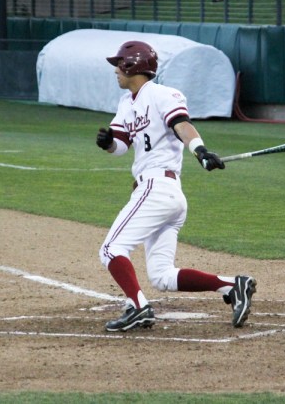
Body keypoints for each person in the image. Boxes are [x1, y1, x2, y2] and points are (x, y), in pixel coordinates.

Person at [95, 40, 257, 332]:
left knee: (110, 249)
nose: (116, 70)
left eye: (119, 64)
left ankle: (139, 308)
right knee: (162, 276)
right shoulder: (125, 104)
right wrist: (109, 144)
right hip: (164, 195)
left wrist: (200, 150)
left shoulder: (163, 94)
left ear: (132, 65)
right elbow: (120, 146)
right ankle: (233, 286)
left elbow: (182, 124)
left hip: (157, 188)